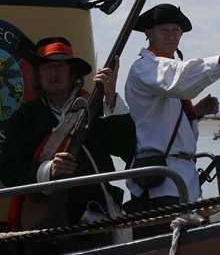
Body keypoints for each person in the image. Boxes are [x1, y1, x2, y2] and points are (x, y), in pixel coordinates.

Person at [124, 3, 220, 216]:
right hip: (161, 182)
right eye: (164, 30)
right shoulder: (145, 67)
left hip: (184, 177)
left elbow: (167, 113)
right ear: (148, 33)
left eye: (175, 30)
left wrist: (196, 113)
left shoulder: (165, 69)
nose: (170, 35)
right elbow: (179, 80)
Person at [0, 37, 134, 237]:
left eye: (60, 67)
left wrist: (110, 96)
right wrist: (48, 171)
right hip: (42, 216)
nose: (54, 73)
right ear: (38, 74)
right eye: (47, 67)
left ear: (73, 74)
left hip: (92, 213)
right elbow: (9, 170)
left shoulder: (94, 108)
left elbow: (126, 147)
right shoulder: (25, 117)